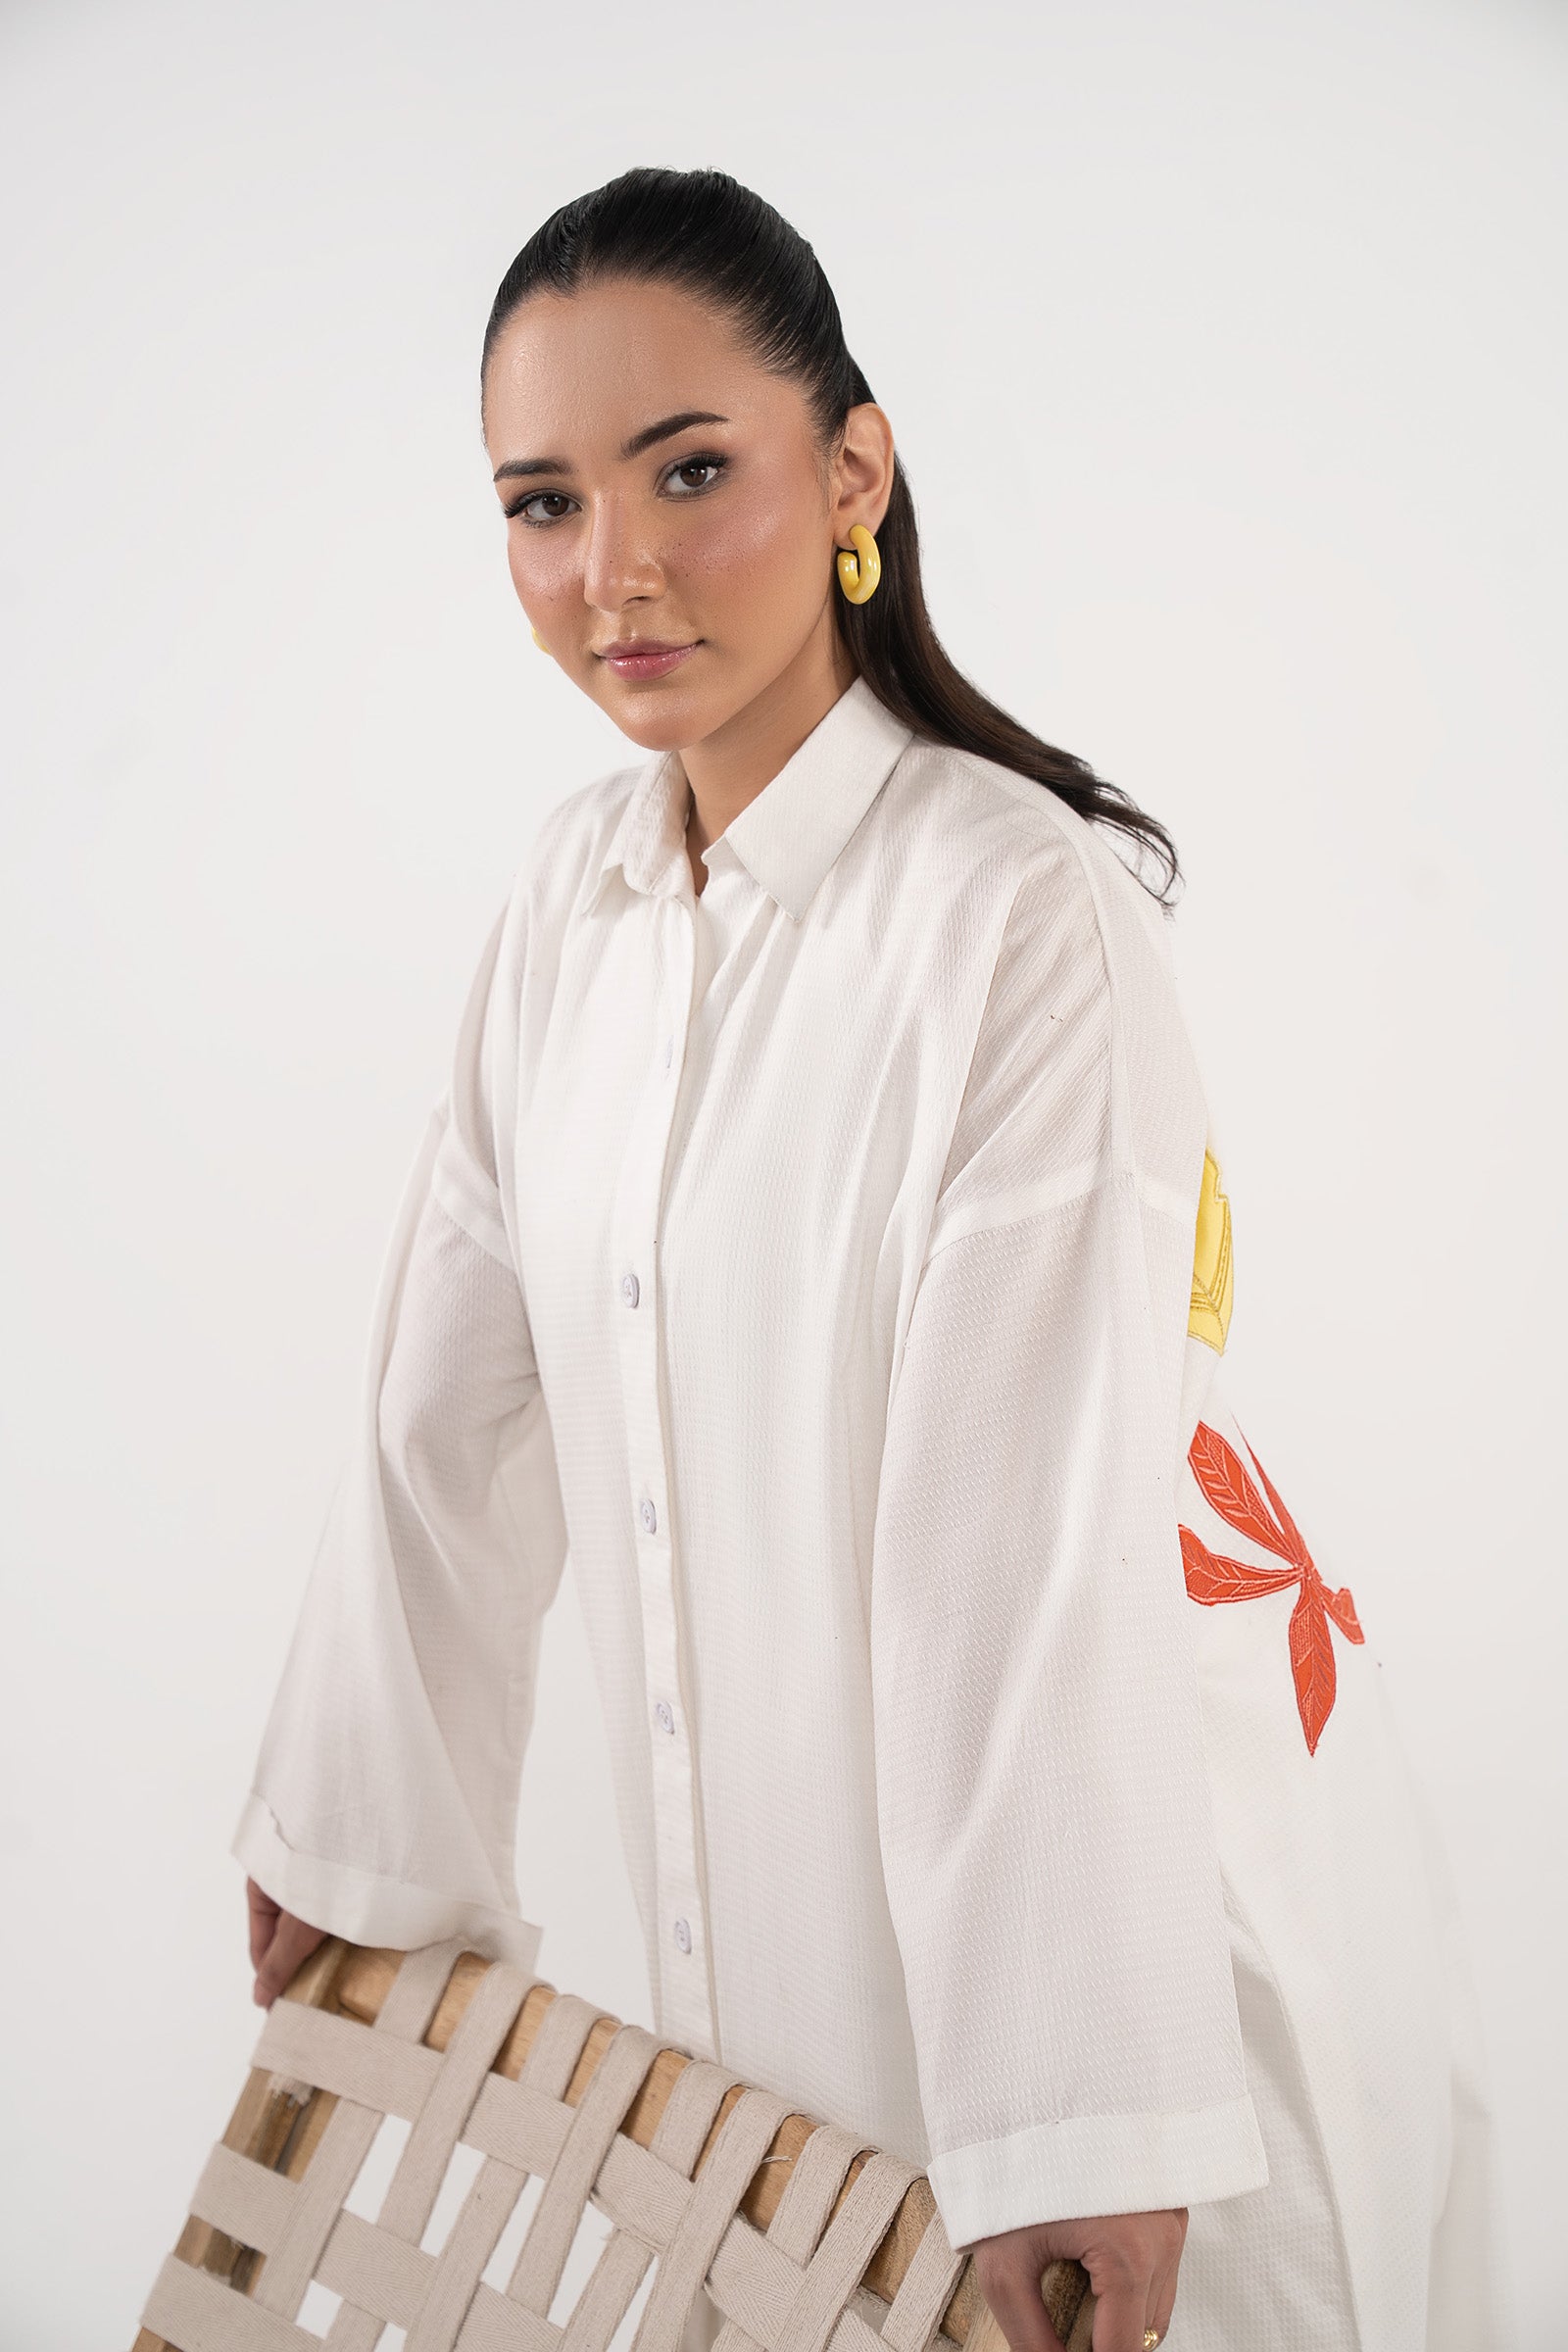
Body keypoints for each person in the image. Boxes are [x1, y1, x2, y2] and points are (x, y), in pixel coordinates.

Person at [233, 168, 1504, 2352]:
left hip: (1133, 1961)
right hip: (795, 1995)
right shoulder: (568, 913)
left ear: (852, 474)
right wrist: (360, 1851)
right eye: (541, 504)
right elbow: (443, 1425)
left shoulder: (1013, 914)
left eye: (687, 471)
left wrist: (1072, 2114)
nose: (613, 571)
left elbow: (1027, 1535)